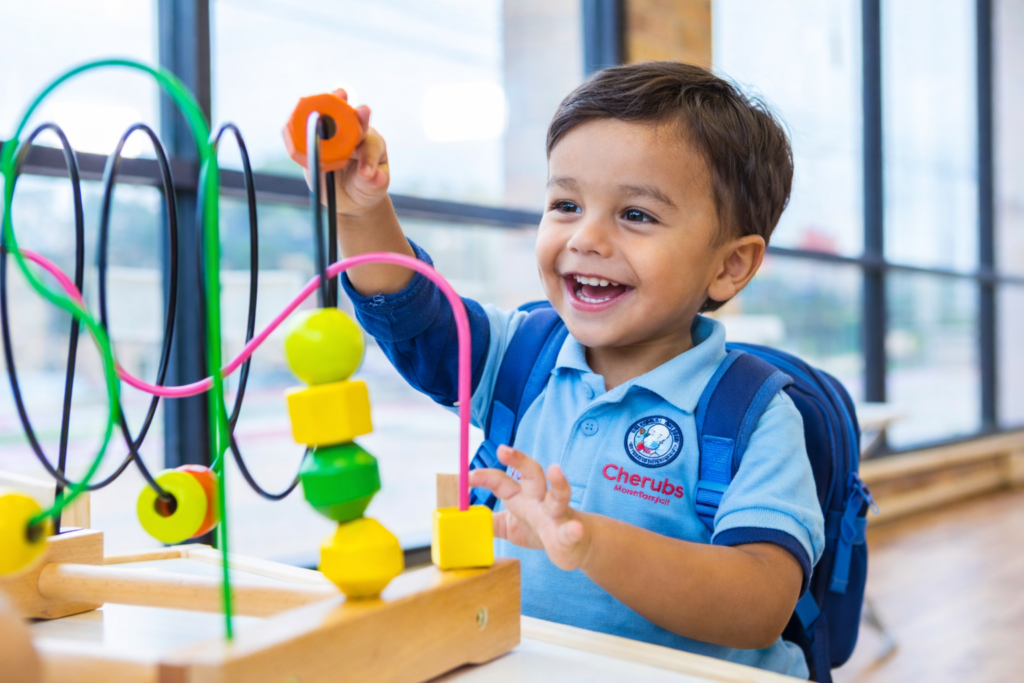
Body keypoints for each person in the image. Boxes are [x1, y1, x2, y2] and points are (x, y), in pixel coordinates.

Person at [320, 61, 824, 678]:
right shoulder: (521, 356)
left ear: (730, 267)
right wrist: (360, 210)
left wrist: (588, 541)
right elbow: (414, 315)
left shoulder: (754, 414)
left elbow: (760, 603)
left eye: (636, 215)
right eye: (566, 203)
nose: (586, 237)